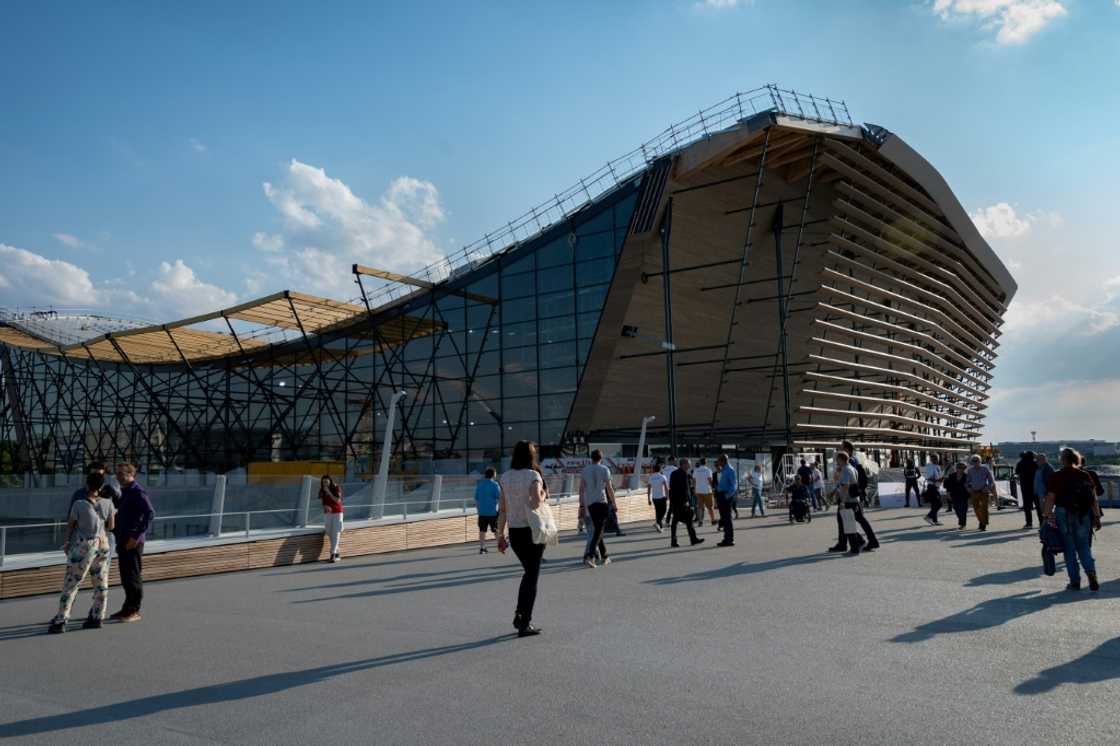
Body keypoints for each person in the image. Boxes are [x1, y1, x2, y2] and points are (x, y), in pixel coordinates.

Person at [48, 472, 116, 634]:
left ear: (87, 485)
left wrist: (66, 543)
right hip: (103, 543)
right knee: (100, 582)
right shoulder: (108, 503)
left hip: (84, 545)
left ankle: (61, 619)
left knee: (72, 582)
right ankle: (97, 617)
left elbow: (70, 525)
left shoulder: (79, 504)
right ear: (101, 486)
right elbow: (111, 526)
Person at [497, 441, 547, 637]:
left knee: (528, 573)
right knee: (531, 576)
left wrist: (500, 535)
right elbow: (535, 503)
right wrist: (542, 494)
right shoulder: (533, 475)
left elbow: (502, 508)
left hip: (515, 532)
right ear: (531, 456)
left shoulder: (505, 477)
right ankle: (523, 622)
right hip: (532, 531)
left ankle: (520, 615)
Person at [1042, 448, 1102, 592]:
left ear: (1063, 460)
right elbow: (1093, 498)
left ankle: (1075, 582)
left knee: (1069, 549)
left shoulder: (1057, 476)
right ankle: (1091, 572)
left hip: (1064, 513)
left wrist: (1046, 515)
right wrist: (1097, 516)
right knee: (1083, 547)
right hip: (1083, 514)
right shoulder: (1085, 475)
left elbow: (1051, 497)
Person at [109, 463, 154, 623]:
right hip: (123, 538)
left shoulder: (137, 491)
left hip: (133, 541)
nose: (119, 477)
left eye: (122, 474)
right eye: (117, 474)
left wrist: (135, 537)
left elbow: (149, 513)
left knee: (133, 576)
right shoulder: (125, 492)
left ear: (131, 474)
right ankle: (127, 608)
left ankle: (134, 610)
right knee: (125, 576)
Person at [827, 442, 879, 552]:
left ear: (847, 450)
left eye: (842, 448)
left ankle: (855, 543)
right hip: (855, 496)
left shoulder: (849, 463)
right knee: (855, 519)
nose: (839, 450)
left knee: (848, 520)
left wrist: (842, 498)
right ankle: (863, 541)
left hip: (850, 497)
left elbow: (846, 483)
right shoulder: (853, 462)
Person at [580, 449, 616, 568]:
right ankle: (590, 555)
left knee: (598, 529)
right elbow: (609, 488)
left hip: (590, 503)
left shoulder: (585, 470)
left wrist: (581, 505)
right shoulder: (605, 469)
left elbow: (581, 489)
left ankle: (605, 556)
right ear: (601, 458)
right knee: (599, 529)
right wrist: (614, 503)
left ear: (591, 458)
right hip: (602, 501)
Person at [830, 452, 865, 555]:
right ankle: (844, 544)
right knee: (844, 523)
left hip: (848, 501)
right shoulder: (852, 468)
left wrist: (843, 502)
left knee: (848, 524)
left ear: (841, 459)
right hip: (852, 500)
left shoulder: (845, 469)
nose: (836, 461)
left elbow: (846, 486)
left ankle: (855, 547)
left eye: (837, 459)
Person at [668, 458, 704, 548]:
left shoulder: (674, 473)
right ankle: (690, 539)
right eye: (688, 464)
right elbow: (685, 490)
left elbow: (671, 488)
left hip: (675, 501)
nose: (690, 465)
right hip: (681, 502)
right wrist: (687, 502)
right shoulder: (683, 474)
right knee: (682, 520)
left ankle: (690, 539)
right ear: (684, 464)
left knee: (681, 521)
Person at [474, 468, 501, 554]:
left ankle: (482, 547)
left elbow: (476, 499)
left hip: (482, 512)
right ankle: (500, 546)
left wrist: (478, 510)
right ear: (493, 475)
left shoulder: (480, 484)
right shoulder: (495, 484)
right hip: (492, 511)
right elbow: (499, 497)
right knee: (495, 529)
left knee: (482, 530)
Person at [964, 455, 995, 531]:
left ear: (980, 461)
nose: (975, 462)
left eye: (977, 460)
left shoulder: (985, 469)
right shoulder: (970, 470)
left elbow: (991, 481)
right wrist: (968, 488)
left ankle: (983, 524)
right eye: (973, 461)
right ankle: (981, 521)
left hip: (983, 491)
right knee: (976, 509)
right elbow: (967, 482)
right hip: (974, 492)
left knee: (984, 508)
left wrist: (987, 488)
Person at [319, 475, 344, 562]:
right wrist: (325, 506)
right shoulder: (322, 490)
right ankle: (337, 551)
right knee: (329, 531)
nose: (325, 483)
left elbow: (338, 500)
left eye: (327, 482)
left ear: (330, 481)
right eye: (323, 482)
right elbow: (322, 502)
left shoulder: (336, 488)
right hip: (328, 513)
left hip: (337, 512)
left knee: (336, 531)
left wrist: (329, 492)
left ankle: (332, 554)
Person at [715, 454, 737, 547]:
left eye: (719, 461)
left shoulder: (730, 470)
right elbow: (720, 472)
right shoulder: (725, 469)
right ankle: (726, 538)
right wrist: (717, 467)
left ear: (723, 461)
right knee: (724, 518)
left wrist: (727, 496)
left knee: (727, 518)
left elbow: (734, 485)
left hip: (725, 495)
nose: (718, 463)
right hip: (721, 495)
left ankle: (729, 539)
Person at [1015, 450, 1040, 529]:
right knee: (1038, 506)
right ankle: (1042, 522)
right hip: (1035, 487)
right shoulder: (1035, 463)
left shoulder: (1020, 463)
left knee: (1027, 507)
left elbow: (1017, 473)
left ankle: (1029, 523)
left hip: (1025, 487)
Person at [944, 462, 970, 529]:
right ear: (956, 468)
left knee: (963, 510)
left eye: (963, 468)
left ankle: (962, 524)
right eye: (959, 468)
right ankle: (961, 520)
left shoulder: (966, 476)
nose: (961, 469)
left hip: (964, 495)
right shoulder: (952, 476)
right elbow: (948, 486)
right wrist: (948, 493)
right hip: (954, 495)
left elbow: (970, 485)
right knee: (956, 509)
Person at [692, 458, 716, 527]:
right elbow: (710, 480)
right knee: (710, 507)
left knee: (700, 507)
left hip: (698, 490)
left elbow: (694, 481)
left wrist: (694, 489)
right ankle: (713, 520)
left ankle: (700, 521)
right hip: (707, 490)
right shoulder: (708, 470)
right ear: (706, 463)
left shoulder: (696, 470)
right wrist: (713, 488)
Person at [647, 461, 669, 533]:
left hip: (654, 497)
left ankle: (660, 527)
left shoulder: (651, 477)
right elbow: (666, 487)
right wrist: (667, 496)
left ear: (654, 470)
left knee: (657, 511)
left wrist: (649, 499)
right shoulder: (662, 477)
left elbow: (649, 489)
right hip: (662, 497)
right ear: (660, 470)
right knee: (664, 511)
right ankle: (658, 523)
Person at [923, 456, 943, 526]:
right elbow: (929, 477)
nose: (936, 460)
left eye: (937, 458)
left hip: (936, 486)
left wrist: (941, 479)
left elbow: (939, 476)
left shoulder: (937, 466)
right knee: (939, 503)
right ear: (931, 459)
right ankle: (928, 516)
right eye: (934, 458)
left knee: (934, 504)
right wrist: (938, 480)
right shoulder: (930, 466)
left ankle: (935, 520)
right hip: (932, 487)